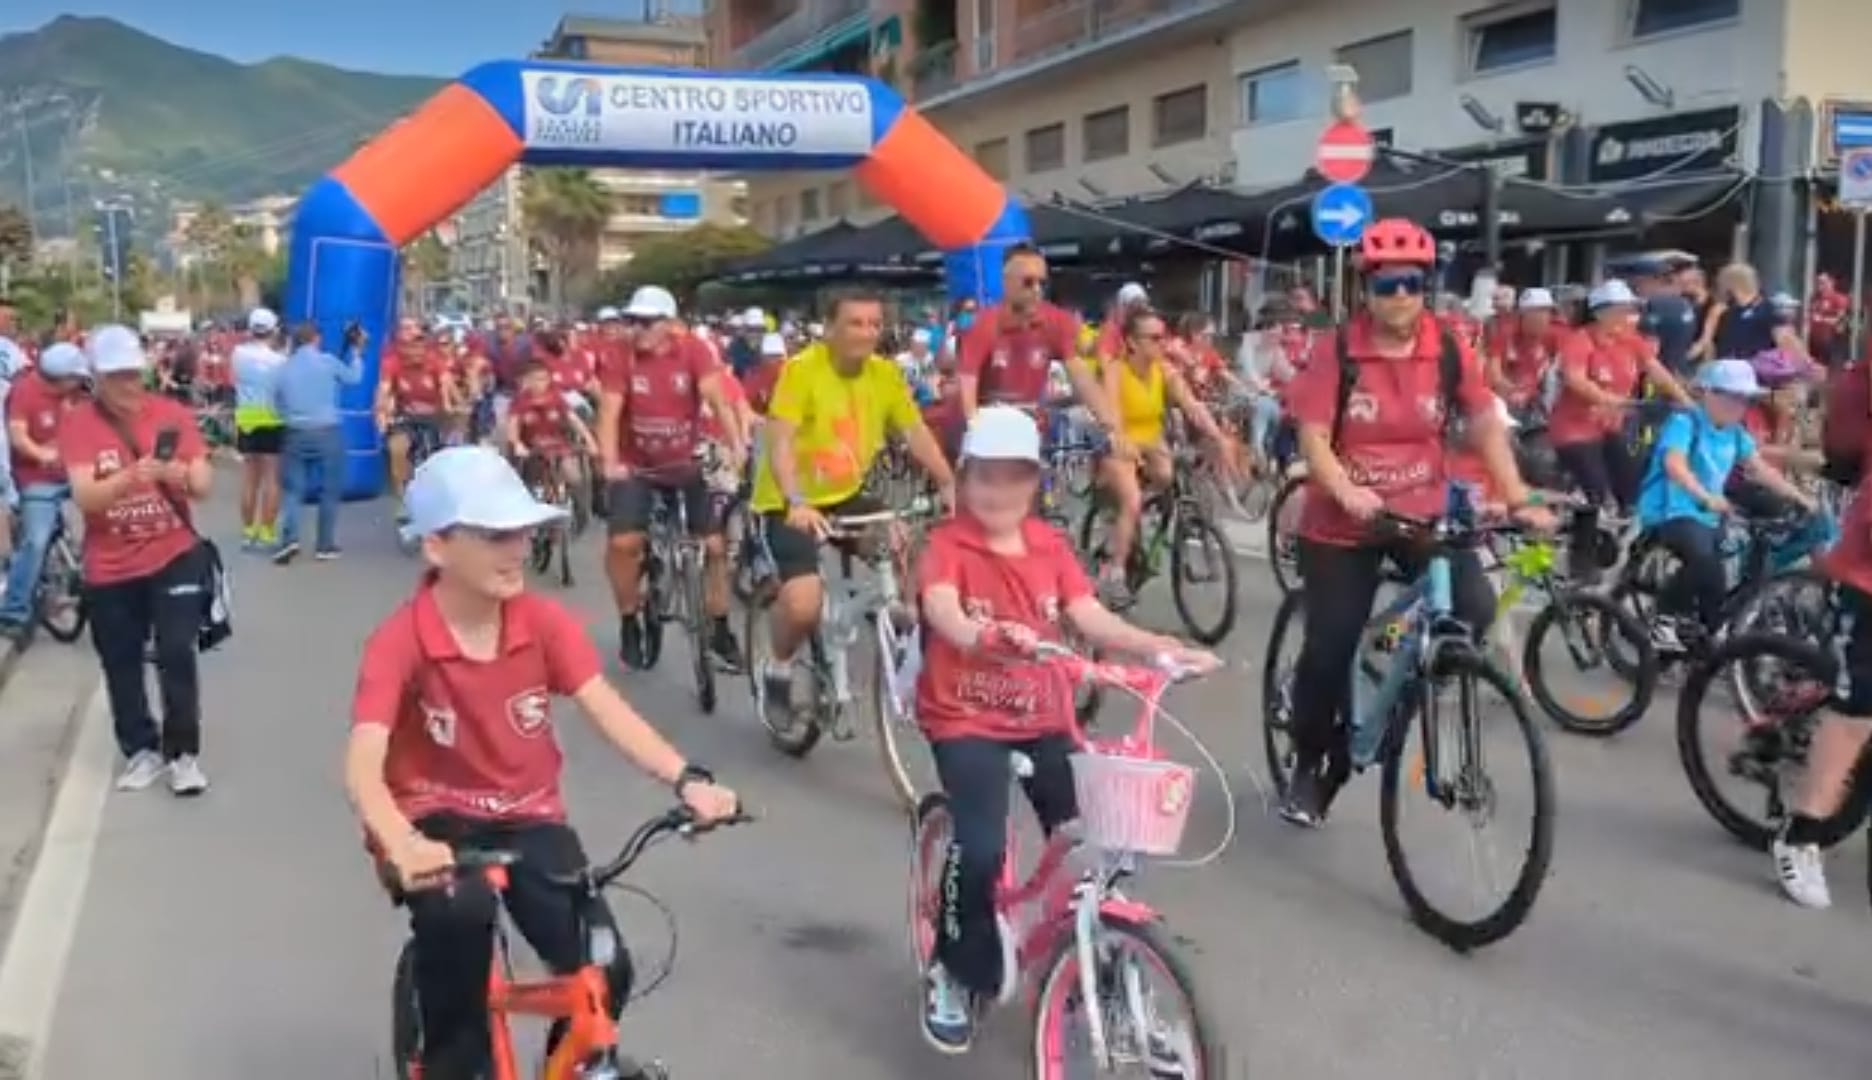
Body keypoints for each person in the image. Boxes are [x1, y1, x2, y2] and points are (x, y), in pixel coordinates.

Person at [345, 445, 741, 1079]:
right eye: (495, 534)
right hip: (433, 821)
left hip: (528, 817)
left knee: (604, 964)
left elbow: (606, 708)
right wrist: (400, 841)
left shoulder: (543, 622)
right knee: (460, 922)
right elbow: (364, 761)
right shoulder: (400, 641)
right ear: (438, 546)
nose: (517, 547)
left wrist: (687, 779)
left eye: (523, 531)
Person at [912, 406, 1220, 1051]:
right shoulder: (947, 547)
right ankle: (952, 966)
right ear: (965, 478)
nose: (998, 491)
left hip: (1043, 719)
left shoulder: (1050, 547)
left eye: (1014, 477)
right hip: (966, 721)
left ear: (1035, 483)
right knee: (981, 846)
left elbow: (1088, 615)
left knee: (1094, 842)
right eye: (985, 477)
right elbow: (944, 612)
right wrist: (984, 634)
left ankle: (1092, 960)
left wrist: (1158, 647)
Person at [1278, 219, 1553, 827]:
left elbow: (1483, 421)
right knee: (1330, 647)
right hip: (1344, 521)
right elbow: (1315, 437)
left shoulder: (1449, 345)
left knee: (1475, 609)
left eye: (1411, 283)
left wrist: (1516, 494)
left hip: (1421, 511)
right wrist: (1347, 490)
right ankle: (1310, 761)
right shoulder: (1339, 349)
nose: (1399, 295)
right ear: (1365, 287)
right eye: (1386, 284)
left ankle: (1403, 678)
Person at [749, 287, 955, 728]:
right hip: (791, 499)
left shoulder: (885, 375)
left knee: (907, 542)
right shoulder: (801, 371)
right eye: (855, 323)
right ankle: (779, 667)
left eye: (874, 324)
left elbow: (915, 432)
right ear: (830, 329)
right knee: (803, 604)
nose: (866, 333)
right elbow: (780, 440)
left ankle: (904, 624)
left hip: (846, 492)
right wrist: (797, 502)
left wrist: (948, 481)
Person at [59, 325, 213, 796]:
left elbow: (203, 482)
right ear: (97, 379)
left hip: (173, 554)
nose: (129, 384)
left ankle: (183, 753)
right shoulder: (80, 423)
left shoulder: (171, 413)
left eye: (133, 374)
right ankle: (141, 750)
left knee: (175, 653)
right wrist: (129, 478)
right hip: (111, 566)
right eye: (117, 376)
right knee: (121, 661)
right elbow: (86, 495)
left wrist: (180, 473)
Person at [596, 285, 746, 672]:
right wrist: (609, 462)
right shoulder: (620, 357)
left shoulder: (694, 351)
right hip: (637, 466)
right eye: (633, 321)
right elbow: (609, 415)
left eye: (648, 322)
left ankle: (719, 627)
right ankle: (630, 619)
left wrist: (736, 446)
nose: (639, 329)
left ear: (671, 325)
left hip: (686, 464)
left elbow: (718, 401)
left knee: (714, 547)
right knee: (623, 543)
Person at [1633, 359, 1813, 654]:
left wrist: (1800, 498)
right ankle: (1663, 621)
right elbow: (1674, 465)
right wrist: (1704, 495)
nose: (1738, 406)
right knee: (1704, 561)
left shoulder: (1736, 434)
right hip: (1672, 510)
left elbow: (1761, 470)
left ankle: (1704, 637)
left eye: (1744, 399)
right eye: (1731, 396)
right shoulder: (1685, 423)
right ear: (1708, 394)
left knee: (1717, 582)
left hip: (1707, 515)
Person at [1095, 308, 1234, 602]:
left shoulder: (1164, 370)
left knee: (1167, 476)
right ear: (1132, 342)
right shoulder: (1115, 371)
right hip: (1120, 445)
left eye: (1164, 337)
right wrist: (1122, 440)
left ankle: (1133, 523)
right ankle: (1114, 571)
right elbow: (1110, 416)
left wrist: (1217, 436)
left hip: (1152, 442)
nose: (1162, 344)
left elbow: (1191, 405)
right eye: (1154, 338)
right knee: (1131, 498)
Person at [954, 245, 1120, 455]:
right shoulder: (983, 324)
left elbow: (1081, 377)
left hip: (1029, 424)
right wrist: (974, 429)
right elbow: (967, 383)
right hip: (988, 423)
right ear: (1006, 283)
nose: (1037, 290)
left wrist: (1111, 427)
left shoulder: (1056, 321)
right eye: (1028, 282)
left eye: (1042, 283)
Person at [1549, 280, 1688, 516]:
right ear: (1602, 313)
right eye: (1622, 310)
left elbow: (1657, 370)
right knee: (1598, 492)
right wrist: (1608, 399)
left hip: (1613, 426)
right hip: (1576, 429)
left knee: (1632, 485)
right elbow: (1575, 379)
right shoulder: (1580, 340)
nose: (1628, 316)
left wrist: (1684, 400)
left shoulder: (1630, 338)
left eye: (1630, 310)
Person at [0, 342, 89, 642]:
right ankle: (14, 612)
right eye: (75, 378)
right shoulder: (25, 392)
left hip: (74, 470)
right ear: (59, 377)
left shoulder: (73, 393)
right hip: (37, 477)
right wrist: (41, 454)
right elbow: (18, 435)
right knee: (35, 542)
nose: (79, 383)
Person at [273, 321, 366, 564]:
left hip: (295, 432)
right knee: (329, 490)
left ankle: (289, 539)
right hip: (327, 431)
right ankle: (324, 544)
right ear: (316, 338)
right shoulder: (327, 362)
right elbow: (354, 378)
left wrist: (291, 418)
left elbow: (277, 403)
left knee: (293, 490)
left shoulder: (283, 368)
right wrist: (356, 352)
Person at [231, 307, 288, 550]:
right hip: (273, 418)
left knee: (250, 478)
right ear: (273, 330)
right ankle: (267, 531)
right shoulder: (280, 361)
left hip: (246, 417)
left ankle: (247, 531)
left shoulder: (238, 354)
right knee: (271, 479)